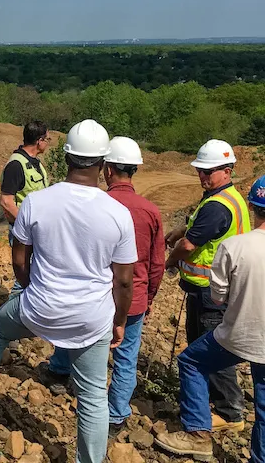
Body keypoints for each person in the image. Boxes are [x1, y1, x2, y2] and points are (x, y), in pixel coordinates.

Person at [0, 119, 137, 463]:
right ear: (104, 164)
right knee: (94, 395)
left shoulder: (36, 204)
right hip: (91, 319)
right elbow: (124, 282)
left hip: (39, 307)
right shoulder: (118, 214)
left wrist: (33, 288)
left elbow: (19, 261)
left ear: (64, 158)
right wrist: (120, 321)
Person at [48, 136, 165, 431]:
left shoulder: (98, 203)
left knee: (76, 332)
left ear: (108, 170)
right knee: (126, 356)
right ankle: (115, 414)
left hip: (95, 295)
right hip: (133, 296)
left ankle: (61, 369)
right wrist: (148, 298)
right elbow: (156, 264)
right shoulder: (150, 211)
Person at [156, 174, 265, 462]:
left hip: (241, 331)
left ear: (254, 207)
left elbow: (219, 297)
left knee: (192, 360)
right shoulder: (225, 200)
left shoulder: (236, 246)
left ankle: (200, 433)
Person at [165, 139, 249, 432]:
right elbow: (195, 227)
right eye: (200, 170)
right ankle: (210, 400)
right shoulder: (226, 197)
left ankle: (229, 412)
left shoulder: (217, 205)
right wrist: (179, 230)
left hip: (211, 292)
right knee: (202, 348)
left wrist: (171, 260)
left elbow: (189, 245)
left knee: (211, 351)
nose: (202, 176)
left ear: (227, 171)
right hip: (210, 288)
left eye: (208, 171)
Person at [0, 120, 50, 226]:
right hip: (24, 233)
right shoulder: (16, 165)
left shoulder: (35, 163)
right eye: (47, 139)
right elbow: (6, 201)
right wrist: (26, 225)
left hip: (37, 227)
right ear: (39, 141)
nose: (48, 143)